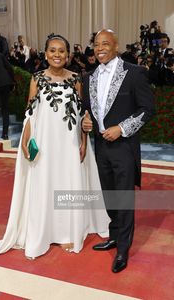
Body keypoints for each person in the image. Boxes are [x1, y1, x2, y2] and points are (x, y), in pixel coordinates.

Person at [0, 34, 109, 259]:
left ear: (68, 54)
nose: (57, 55)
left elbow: (82, 114)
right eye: (52, 50)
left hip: (69, 142)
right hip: (45, 142)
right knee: (46, 183)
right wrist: (25, 140)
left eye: (62, 51)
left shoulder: (76, 79)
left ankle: (67, 231)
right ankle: (45, 230)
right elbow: (30, 113)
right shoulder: (37, 78)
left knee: (68, 184)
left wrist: (83, 141)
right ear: (45, 53)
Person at [82, 29, 155, 273]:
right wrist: (86, 121)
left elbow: (147, 109)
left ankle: (123, 248)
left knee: (123, 199)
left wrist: (122, 129)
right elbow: (88, 110)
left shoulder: (134, 73)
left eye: (105, 44)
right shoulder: (89, 77)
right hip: (101, 145)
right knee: (109, 195)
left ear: (116, 46)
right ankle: (114, 236)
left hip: (124, 145)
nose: (100, 48)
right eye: (96, 44)